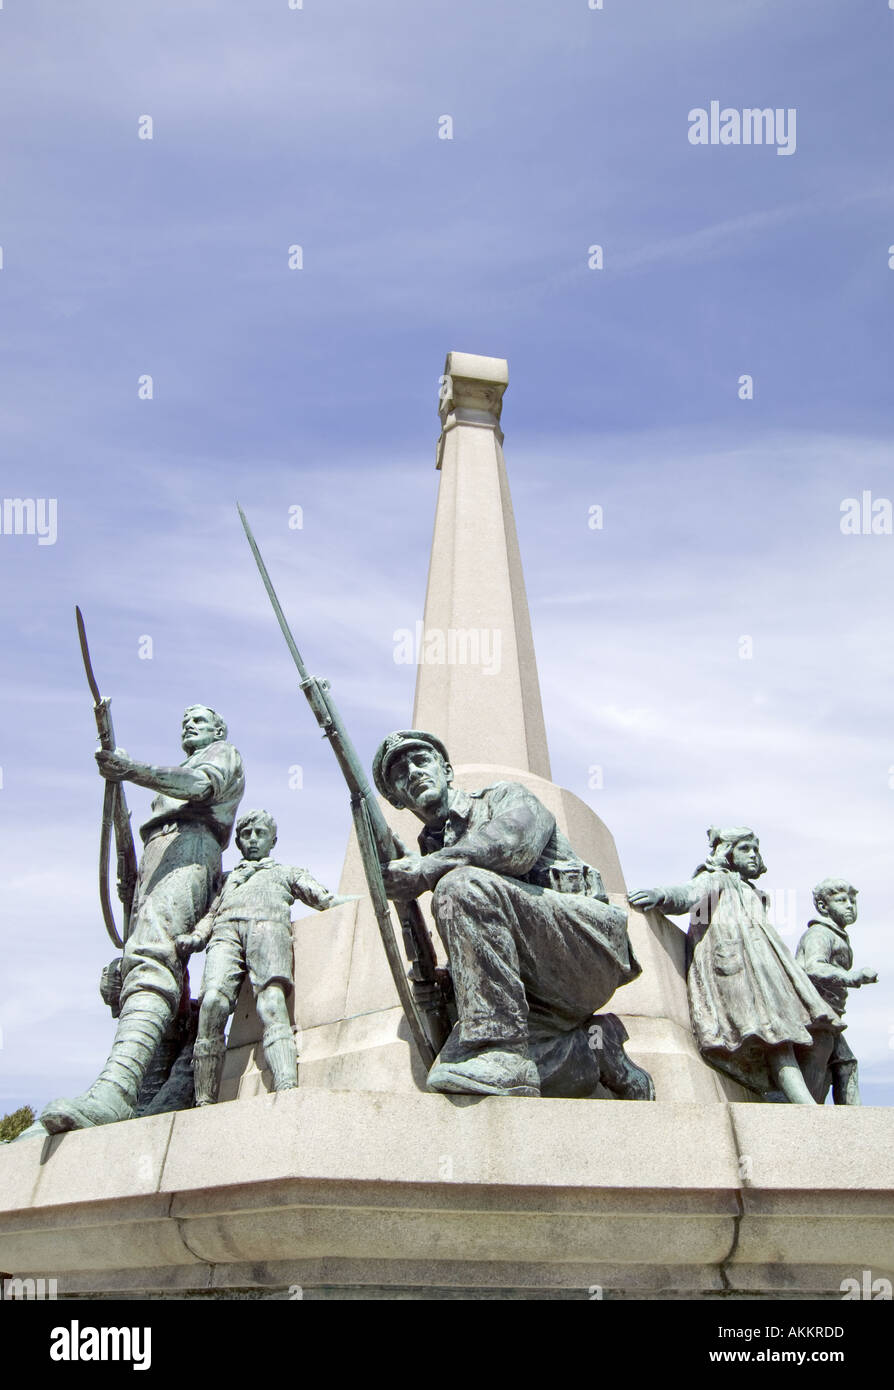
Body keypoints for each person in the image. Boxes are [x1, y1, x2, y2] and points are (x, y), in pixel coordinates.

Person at [373, 729, 652, 1100]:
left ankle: (502, 1051)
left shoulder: (505, 796)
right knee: (451, 1065)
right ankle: (593, 1052)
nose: (412, 772)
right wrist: (448, 982)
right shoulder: (433, 848)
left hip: (585, 948)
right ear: (395, 799)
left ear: (447, 770)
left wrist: (425, 870)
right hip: (533, 984)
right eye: (400, 774)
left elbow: (513, 846)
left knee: (461, 886)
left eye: (420, 761)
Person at [41, 705, 244, 1131]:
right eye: (184, 720)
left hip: (190, 843)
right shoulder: (184, 766)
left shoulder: (223, 754)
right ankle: (141, 1091)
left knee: (153, 957)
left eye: (200, 720)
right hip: (160, 853)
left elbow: (198, 786)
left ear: (218, 729)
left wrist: (131, 770)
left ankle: (115, 1090)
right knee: (134, 967)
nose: (189, 724)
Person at [628, 826, 841, 1104]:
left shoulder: (752, 891)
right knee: (778, 1039)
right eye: (744, 849)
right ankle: (806, 1107)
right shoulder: (717, 878)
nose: (753, 855)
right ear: (727, 853)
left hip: (770, 975)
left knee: (821, 1037)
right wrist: (660, 895)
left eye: (755, 849)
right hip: (739, 973)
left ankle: (797, 1104)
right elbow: (691, 894)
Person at [188, 809, 356, 1104]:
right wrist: (197, 936)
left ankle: (286, 1085)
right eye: (246, 834)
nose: (253, 839)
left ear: (273, 840)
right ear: (239, 841)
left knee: (272, 1003)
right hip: (225, 933)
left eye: (260, 833)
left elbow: (325, 899)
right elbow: (210, 915)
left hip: (268, 929)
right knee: (212, 1003)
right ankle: (203, 1100)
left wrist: (365, 898)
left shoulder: (287, 872)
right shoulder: (225, 881)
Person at [796, 878, 878, 1104]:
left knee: (845, 1064)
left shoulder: (837, 935)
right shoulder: (820, 933)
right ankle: (801, 1118)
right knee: (815, 1070)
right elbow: (813, 965)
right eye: (842, 900)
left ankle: (853, 1126)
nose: (850, 905)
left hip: (830, 1017)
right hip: (813, 1016)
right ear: (823, 907)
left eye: (853, 901)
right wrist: (851, 976)